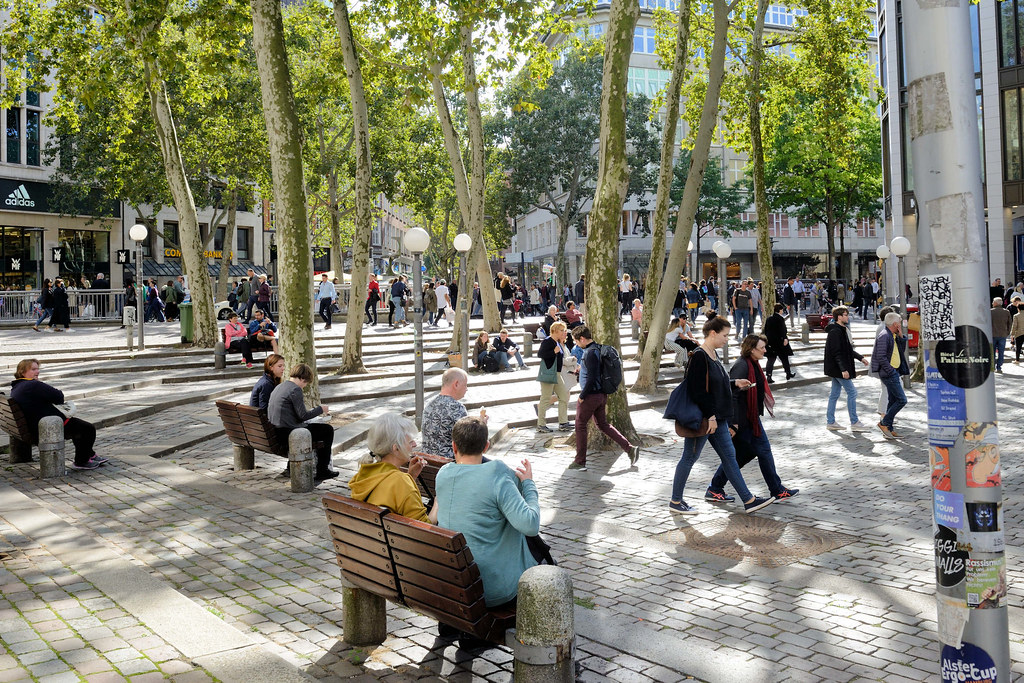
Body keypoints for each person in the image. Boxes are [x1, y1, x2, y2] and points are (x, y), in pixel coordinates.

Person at [432, 416, 539, 617]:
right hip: (492, 589)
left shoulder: (443, 474)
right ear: (486, 446)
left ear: (454, 446)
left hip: (453, 582)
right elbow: (530, 525)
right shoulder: (497, 475)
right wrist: (528, 484)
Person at [669, 317, 775, 514]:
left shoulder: (713, 353)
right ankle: (676, 501)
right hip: (704, 419)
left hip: (718, 417)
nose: (727, 338)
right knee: (689, 457)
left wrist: (734, 383)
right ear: (713, 333)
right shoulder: (700, 355)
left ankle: (748, 499)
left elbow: (715, 384)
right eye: (725, 335)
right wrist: (709, 416)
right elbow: (698, 390)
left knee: (730, 457)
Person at [705, 335, 799, 503]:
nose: (765, 350)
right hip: (744, 421)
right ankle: (777, 490)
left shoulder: (752, 364)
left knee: (742, 455)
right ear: (751, 349)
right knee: (763, 450)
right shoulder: (741, 366)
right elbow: (732, 396)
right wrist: (733, 423)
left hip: (750, 418)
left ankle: (715, 488)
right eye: (761, 348)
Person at [10, 359, 107, 470]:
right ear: (22, 372)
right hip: (46, 427)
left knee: (79, 426)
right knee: (87, 429)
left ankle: (90, 454)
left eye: (37, 368)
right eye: (33, 369)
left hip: (33, 425)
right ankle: (82, 461)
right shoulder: (33, 385)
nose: (37, 372)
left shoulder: (17, 386)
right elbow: (59, 396)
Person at [568, 327, 640, 471]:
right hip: (601, 395)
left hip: (591, 395)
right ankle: (630, 448)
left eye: (576, 341)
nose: (576, 344)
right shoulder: (598, 349)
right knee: (602, 424)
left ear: (582, 338)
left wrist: (582, 396)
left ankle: (580, 461)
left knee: (580, 425)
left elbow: (593, 377)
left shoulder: (590, 353)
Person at [349, 414, 430, 522]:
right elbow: (424, 526)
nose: (415, 444)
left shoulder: (364, 474)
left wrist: (411, 476)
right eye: (411, 442)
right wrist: (438, 503)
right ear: (396, 448)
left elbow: (388, 492)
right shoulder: (400, 481)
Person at [267, 363, 337, 482]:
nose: (304, 386)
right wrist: (320, 409)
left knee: (317, 428)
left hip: (276, 431)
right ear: (302, 378)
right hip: (287, 433)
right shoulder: (295, 389)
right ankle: (322, 470)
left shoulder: (280, 386)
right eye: (305, 383)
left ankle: (292, 466)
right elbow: (303, 416)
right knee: (327, 430)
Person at [823, 306, 871, 431]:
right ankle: (854, 422)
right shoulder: (836, 331)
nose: (847, 317)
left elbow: (848, 350)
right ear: (839, 317)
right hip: (838, 368)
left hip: (837, 368)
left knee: (834, 394)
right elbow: (837, 352)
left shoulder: (841, 330)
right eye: (845, 314)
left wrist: (860, 358)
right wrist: (843, 369)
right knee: (852, 392)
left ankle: (830, 421)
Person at [421, 368, 486, 460]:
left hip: (428, 461)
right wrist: (482, 424)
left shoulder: (429, 405)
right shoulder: (456, 408)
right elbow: (471, 443)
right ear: (456, 384)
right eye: (465, 385)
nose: (466, 389)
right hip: (451, 462)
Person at [871, 312, 910, 439]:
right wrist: (891, 371)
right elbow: (881, 357)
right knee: (901, 400)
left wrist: (900, 335)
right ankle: (884, 423)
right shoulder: (884, 336)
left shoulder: (892, 334)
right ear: (894, 324)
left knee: (893, 400)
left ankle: (889, 428)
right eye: (899, 322)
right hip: (889, 373)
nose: (900, 324)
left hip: (894, 371)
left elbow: (901, 348)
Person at [537, 321, 571, 433]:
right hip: (549, 374)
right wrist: (553, 352)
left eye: (564, 330)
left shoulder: (557, 342)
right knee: (545, 399)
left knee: (563, 396)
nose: (563, 332)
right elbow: (540, 354)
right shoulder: (548, 341)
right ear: (555, 330)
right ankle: (541, 425)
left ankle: (563, 422)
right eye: (561, 330)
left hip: (557, 374)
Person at [763, 303, 796, 383]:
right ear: (780, 310)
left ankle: (769, 376)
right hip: (779, 342)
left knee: (771, 360)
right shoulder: (780, 319)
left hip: (770, 342)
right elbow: (783, 330)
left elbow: (765, 330)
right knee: (784, 358)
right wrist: (785, 338)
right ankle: (788, 373)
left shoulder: (769, 318)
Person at [990, 297, 1011, 374]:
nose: (992, 303)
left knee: (992, 352)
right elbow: (1010, 323)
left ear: (995, 303)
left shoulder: (990, 312)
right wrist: (1007, 332)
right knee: (1001, 352)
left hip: (992, 334)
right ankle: (999, 367)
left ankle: (992, 366)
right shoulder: (1006, 312)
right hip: (1003, 335)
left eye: (993, 302)